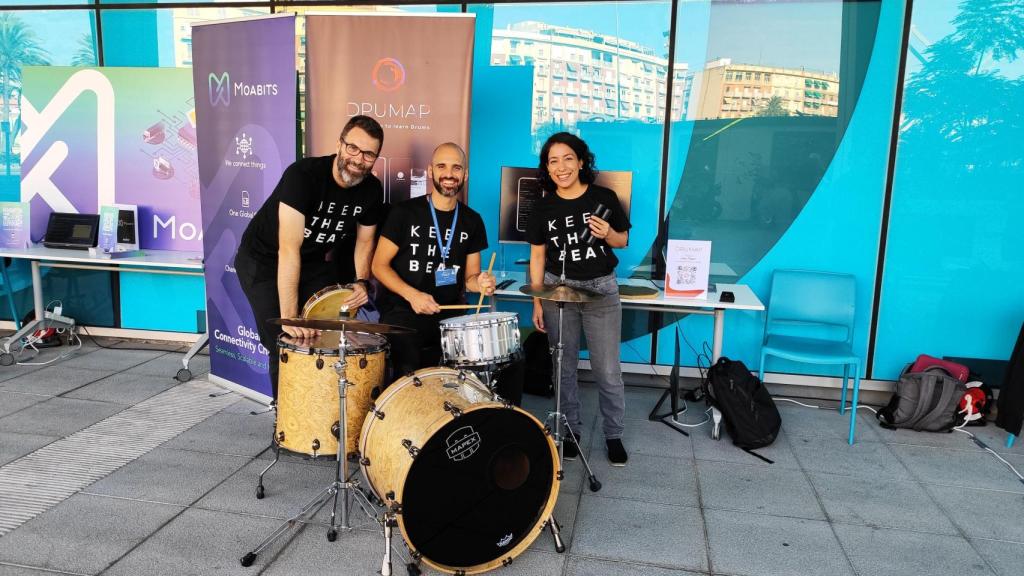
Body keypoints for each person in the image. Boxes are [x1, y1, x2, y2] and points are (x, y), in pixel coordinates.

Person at [235, 115, 385, 398]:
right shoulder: (303, 176)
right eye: (353, 148)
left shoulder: (372, 191)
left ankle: (322, 410)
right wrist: (290, 317)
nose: (358, 158)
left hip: (312, 261)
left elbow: (365, 243)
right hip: (264, 260)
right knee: (285, 339)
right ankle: (287, 426)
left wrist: (362, 281)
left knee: (328, 331)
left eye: (368, 154)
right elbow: (288, 250)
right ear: (339, 144)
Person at [526, 132, 631, 466]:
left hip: (601, 288)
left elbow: (622, 241)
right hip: (560, 290)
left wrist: (608, 233)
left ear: (582, 161)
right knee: (563, 366)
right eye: (553, 160)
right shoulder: (543, 206)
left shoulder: (604, 197)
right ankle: (570, 431)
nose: (561, 167)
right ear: (547, 167)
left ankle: (614, 435)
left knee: (607, 370)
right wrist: (537, 301)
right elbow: (538, 257)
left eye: (568, 158)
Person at [372, 143, 500, 382]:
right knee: (409, 371)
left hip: (447, 314)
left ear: (465, 174)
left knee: (452, 379)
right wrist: (412, 295)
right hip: (403, 311)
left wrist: (481, 283)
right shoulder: (404, 212)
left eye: (456, 167)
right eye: (442, 166)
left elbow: (470, 279)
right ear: (430, 171)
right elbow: (379, 265)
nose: (449, 174)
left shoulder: (472, 221)